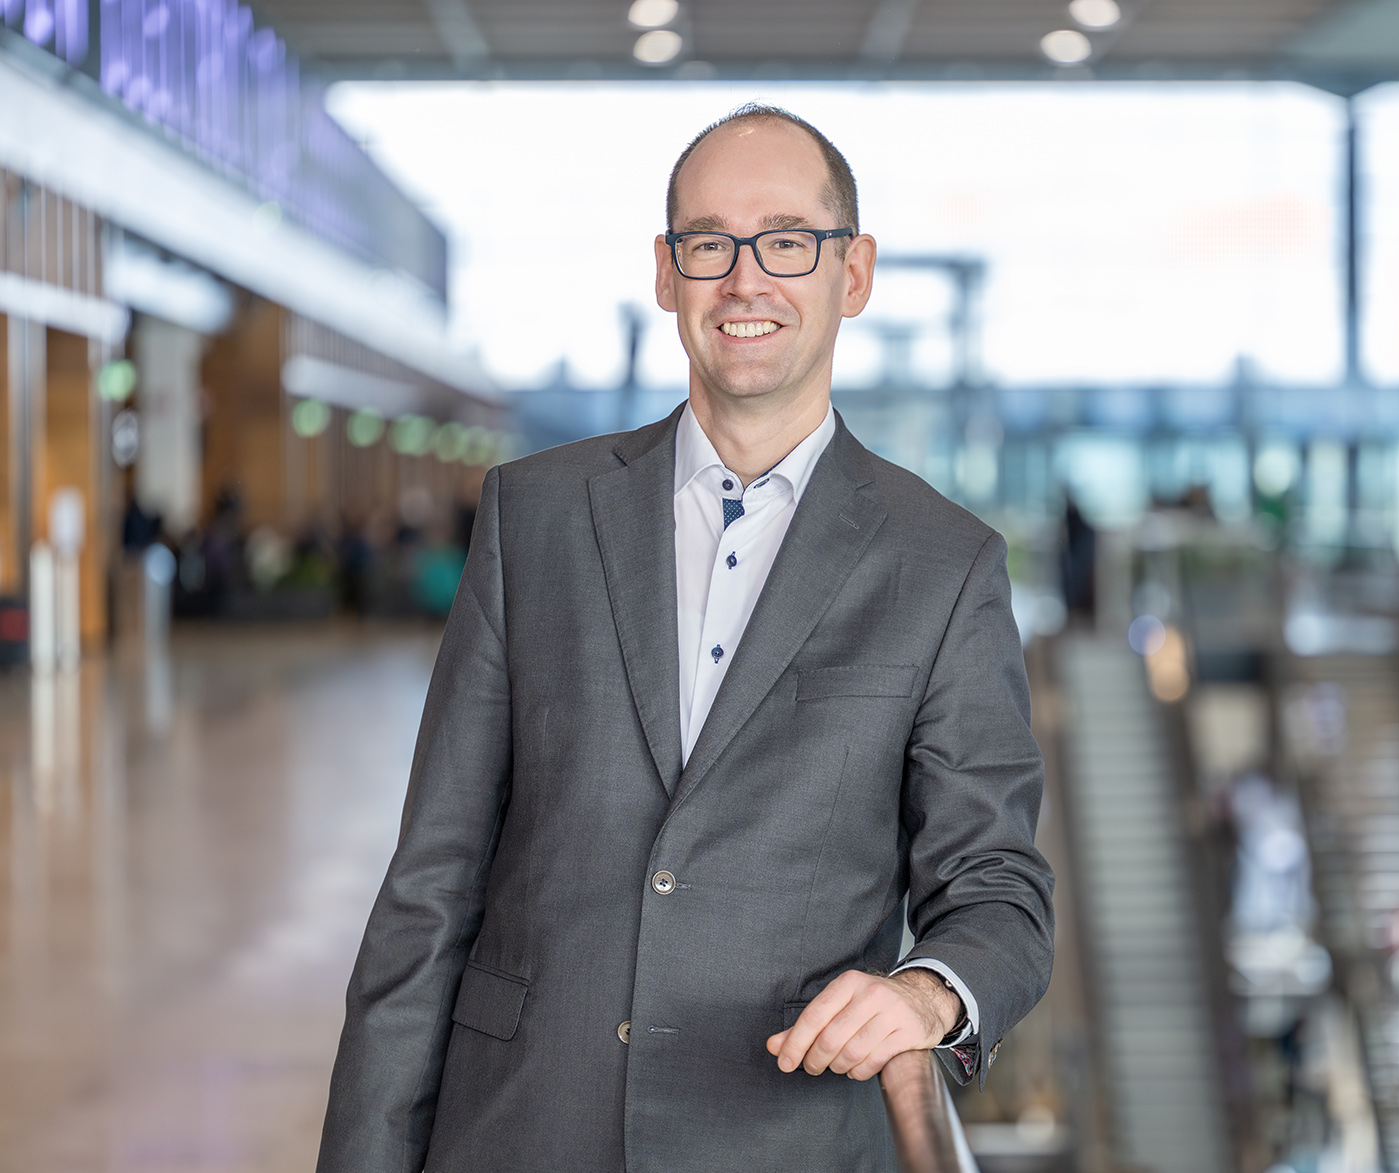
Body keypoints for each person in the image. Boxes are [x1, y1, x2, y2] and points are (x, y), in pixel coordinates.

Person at [315, 104, 1055, 1172]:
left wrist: (927, 991)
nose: (745, 279)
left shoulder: (943, 567)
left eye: (788, 242)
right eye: (709, 242)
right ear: (667, 274)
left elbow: (996, 887)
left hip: (773, 1137)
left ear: (853, 275)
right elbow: (430, 884)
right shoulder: (535, 516)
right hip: (517, 1127)